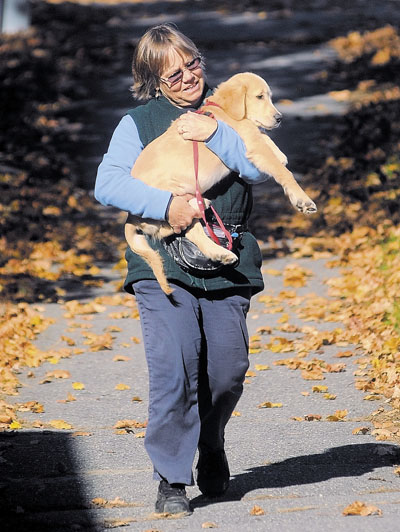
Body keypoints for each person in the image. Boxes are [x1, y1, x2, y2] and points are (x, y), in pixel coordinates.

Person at [95, 22, 270, 515]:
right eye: (172, 75)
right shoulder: (139, 123)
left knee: (228, 370)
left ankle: (210, 443)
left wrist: (218, 133)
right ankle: (172, 478)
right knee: (175, 367)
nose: (188, 77)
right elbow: (107, 185)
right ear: (153, 81)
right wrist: (164, 204)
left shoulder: (231, 106)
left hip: (225, 253)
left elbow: (259, 167)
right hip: (162, 259)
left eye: (192, 64)